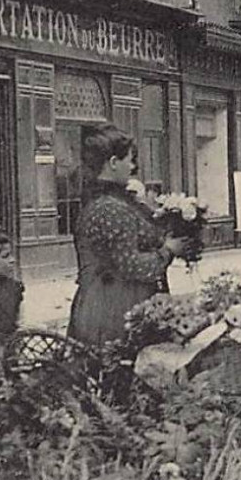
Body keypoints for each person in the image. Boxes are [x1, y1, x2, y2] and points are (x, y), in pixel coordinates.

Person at [68, 124, 186, 348]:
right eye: (130, 160)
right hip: (115, 310)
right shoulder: (111, 208)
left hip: (110, 303)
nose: (133, 166)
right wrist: (169, 250)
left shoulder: (109, 201)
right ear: (113, 163)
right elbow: (133, 265)